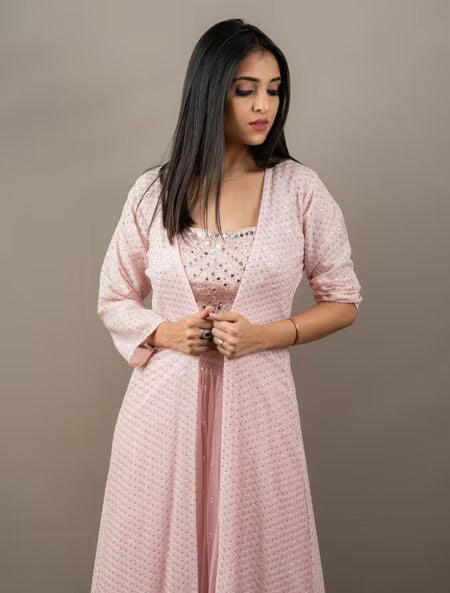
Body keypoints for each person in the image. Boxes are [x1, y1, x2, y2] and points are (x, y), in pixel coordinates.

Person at [91, 18, 362, 593]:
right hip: (160, 415)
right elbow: (114, 295)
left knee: (258, 555)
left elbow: (343, 300)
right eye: (246, 90)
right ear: (210, 91)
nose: (264, 105)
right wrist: (165, 332)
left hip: (259, 412)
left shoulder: (300, 190)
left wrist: (267, 334)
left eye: (274, 90)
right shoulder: (153, 192)